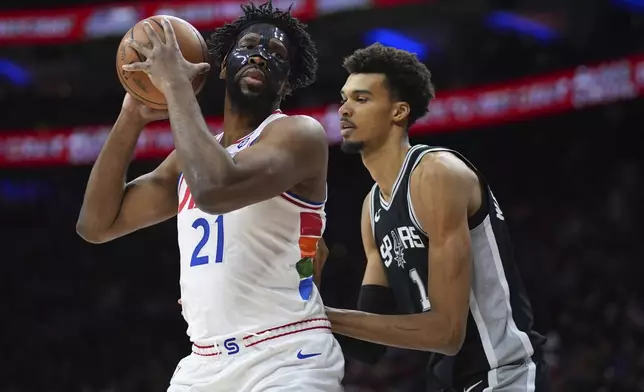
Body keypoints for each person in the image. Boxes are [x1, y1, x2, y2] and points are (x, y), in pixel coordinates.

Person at [76, 2, 344, 391]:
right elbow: (96, 225)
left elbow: (215, 190)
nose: (261, 54)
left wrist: (175, 87)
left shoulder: (300, 135)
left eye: (277, 54)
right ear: (220, 66)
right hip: (204, 363)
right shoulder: (191, 157)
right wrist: (132, 115)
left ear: (286, 84)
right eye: (250, 44)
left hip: (287, 356)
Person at [325, 43, 550, 392]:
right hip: (448, 383)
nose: (344, 110)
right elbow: (368, 347)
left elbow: (447, 333)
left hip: (504, 374)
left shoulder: (436, 174)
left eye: (361, 99)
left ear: (398, 112)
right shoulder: (371, 208)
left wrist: (320, 315)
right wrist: (303, 293)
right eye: (344, 98)